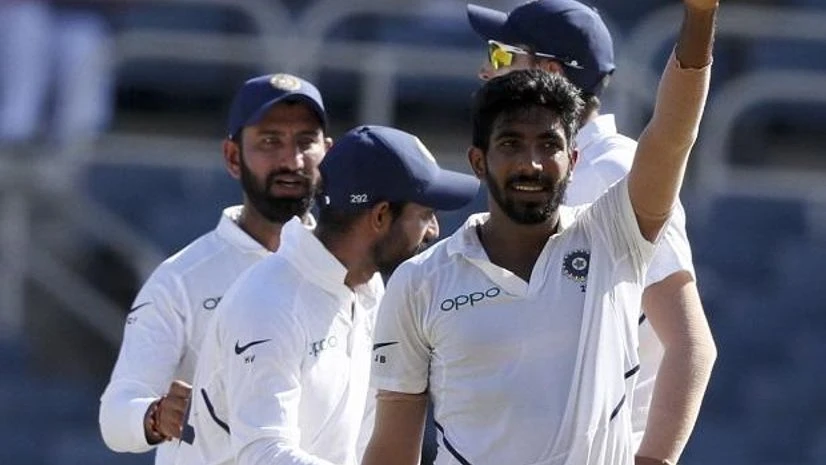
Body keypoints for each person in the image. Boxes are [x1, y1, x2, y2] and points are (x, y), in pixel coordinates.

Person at [362, 0, 717, 464]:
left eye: (504, 57)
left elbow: (674, 133)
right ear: (477, 160)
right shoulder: (420, 280)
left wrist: (700, 15)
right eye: (510, 143)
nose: (530, 162)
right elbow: (393, 444)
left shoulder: (613, 212)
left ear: (572, 160)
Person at [172, 125, 480, 465]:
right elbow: (262, 454)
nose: (434, 230)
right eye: (424, 215)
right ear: (380, 216)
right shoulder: (267, 302)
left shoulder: (371, 290)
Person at [98, 72, 332, 465]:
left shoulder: (355, 274)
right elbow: (116, 413)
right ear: (232, 157)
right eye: (270, 141)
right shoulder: (181, 279)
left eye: (305, 142)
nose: (291, 161)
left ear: (328, 152)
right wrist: (155, 415)